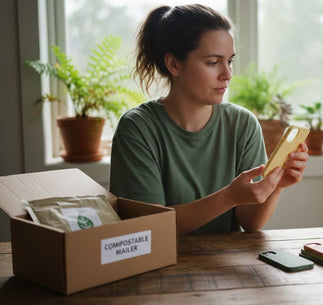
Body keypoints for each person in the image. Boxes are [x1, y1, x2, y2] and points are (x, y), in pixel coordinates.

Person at [109, 4, 309, 234]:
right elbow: (149, 229)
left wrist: (276, 187)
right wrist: (229, 196)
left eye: (230, 61)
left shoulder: (243, 124)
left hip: (227, 266)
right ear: (174, 64)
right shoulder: (137, 128)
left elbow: (250, 222)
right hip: (159, 266)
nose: (227, 74)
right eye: (213, 62)